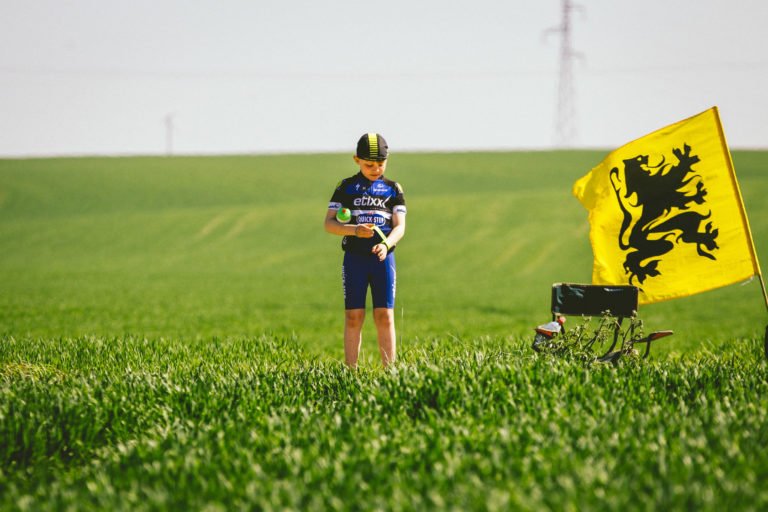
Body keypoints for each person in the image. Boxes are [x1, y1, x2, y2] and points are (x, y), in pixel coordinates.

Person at [324, 133, 407, 368]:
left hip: (382, 259)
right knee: (353, 316)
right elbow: (329, 223)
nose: (375, 169)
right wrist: (353, 230)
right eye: (369, 164)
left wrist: (386, 244)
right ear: (356, 160)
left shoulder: (393, 189)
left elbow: (400, 227)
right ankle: (351, 373)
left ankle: (390, 372)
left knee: (384, 316)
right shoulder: (346, 187)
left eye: (381, 164)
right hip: (354, 259)